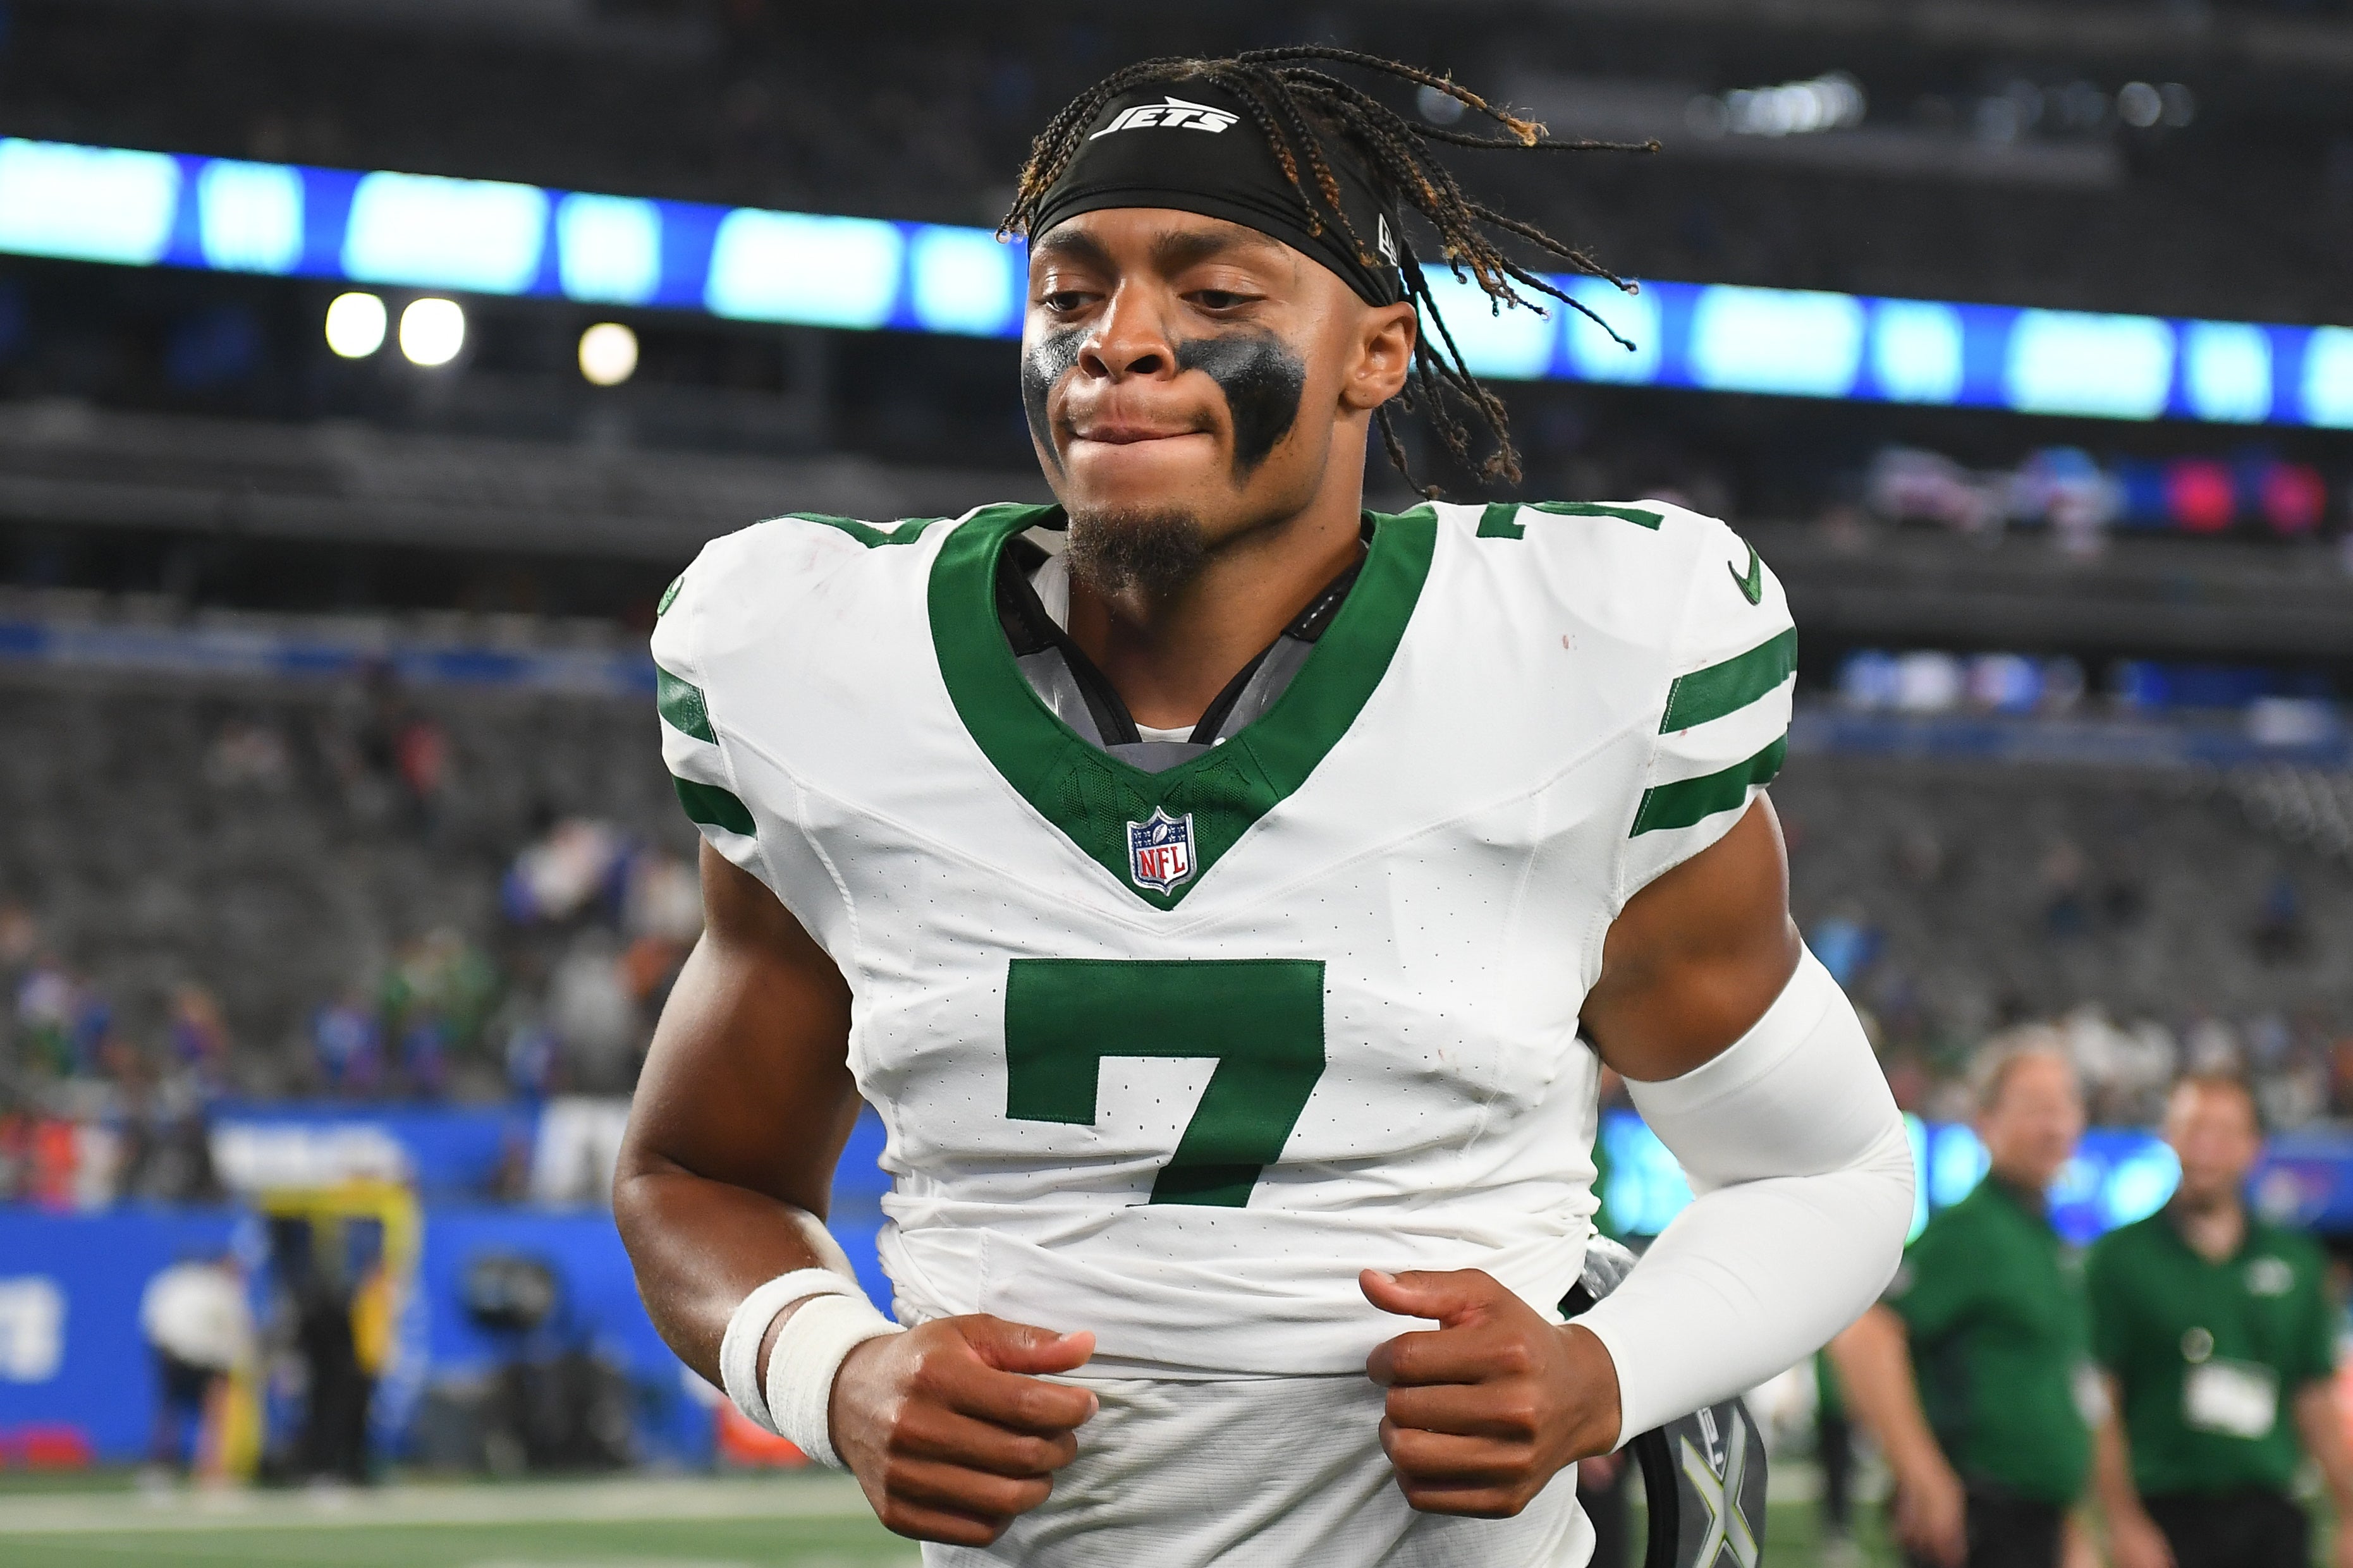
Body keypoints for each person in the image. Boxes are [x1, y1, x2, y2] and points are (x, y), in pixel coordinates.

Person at [614, 48, 1914, 1567]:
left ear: (1376, 352)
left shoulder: (1578, 671)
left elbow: (1822, 1173)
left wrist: (1602, 1371)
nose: (1116, 342)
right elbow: (693, 1171)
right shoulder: (828, 674)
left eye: (1215, 295)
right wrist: (831, 1371)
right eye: (1068, 293)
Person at [1830, 1047, 2094, 1568]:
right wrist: (1921, 1472)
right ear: (1986, 1121)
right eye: (2035, 1107)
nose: (2054, 1125)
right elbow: (1865, 1334)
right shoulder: (1972, 1231)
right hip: (1983, 1518)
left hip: (2035, 1519)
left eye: (2065, 1105)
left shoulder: (2042, 1238)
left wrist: (2067, 1525)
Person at [2091, 1073, 2353, 1568]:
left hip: (2271, 1511)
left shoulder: (2296, 1262)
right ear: (2169, 1136)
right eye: (2193, 1128)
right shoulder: (2118, 1260)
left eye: (2225, 1132)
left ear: (2254, 1147)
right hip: (2166, 1513)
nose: (2206, 1147)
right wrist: (2122, 1519)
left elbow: (2313, 1396)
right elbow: (2098, 1399)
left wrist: (2348, 1507)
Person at [138, 1253, 250, 1483]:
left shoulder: (168, 1282)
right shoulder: (220, 1288)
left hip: (172, 1353)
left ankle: (163, 1465)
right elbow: (234, 1333)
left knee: (170, 1408)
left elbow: (152, 1324)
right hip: (200, 1356)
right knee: (213, 1408)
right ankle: (210, 1469)